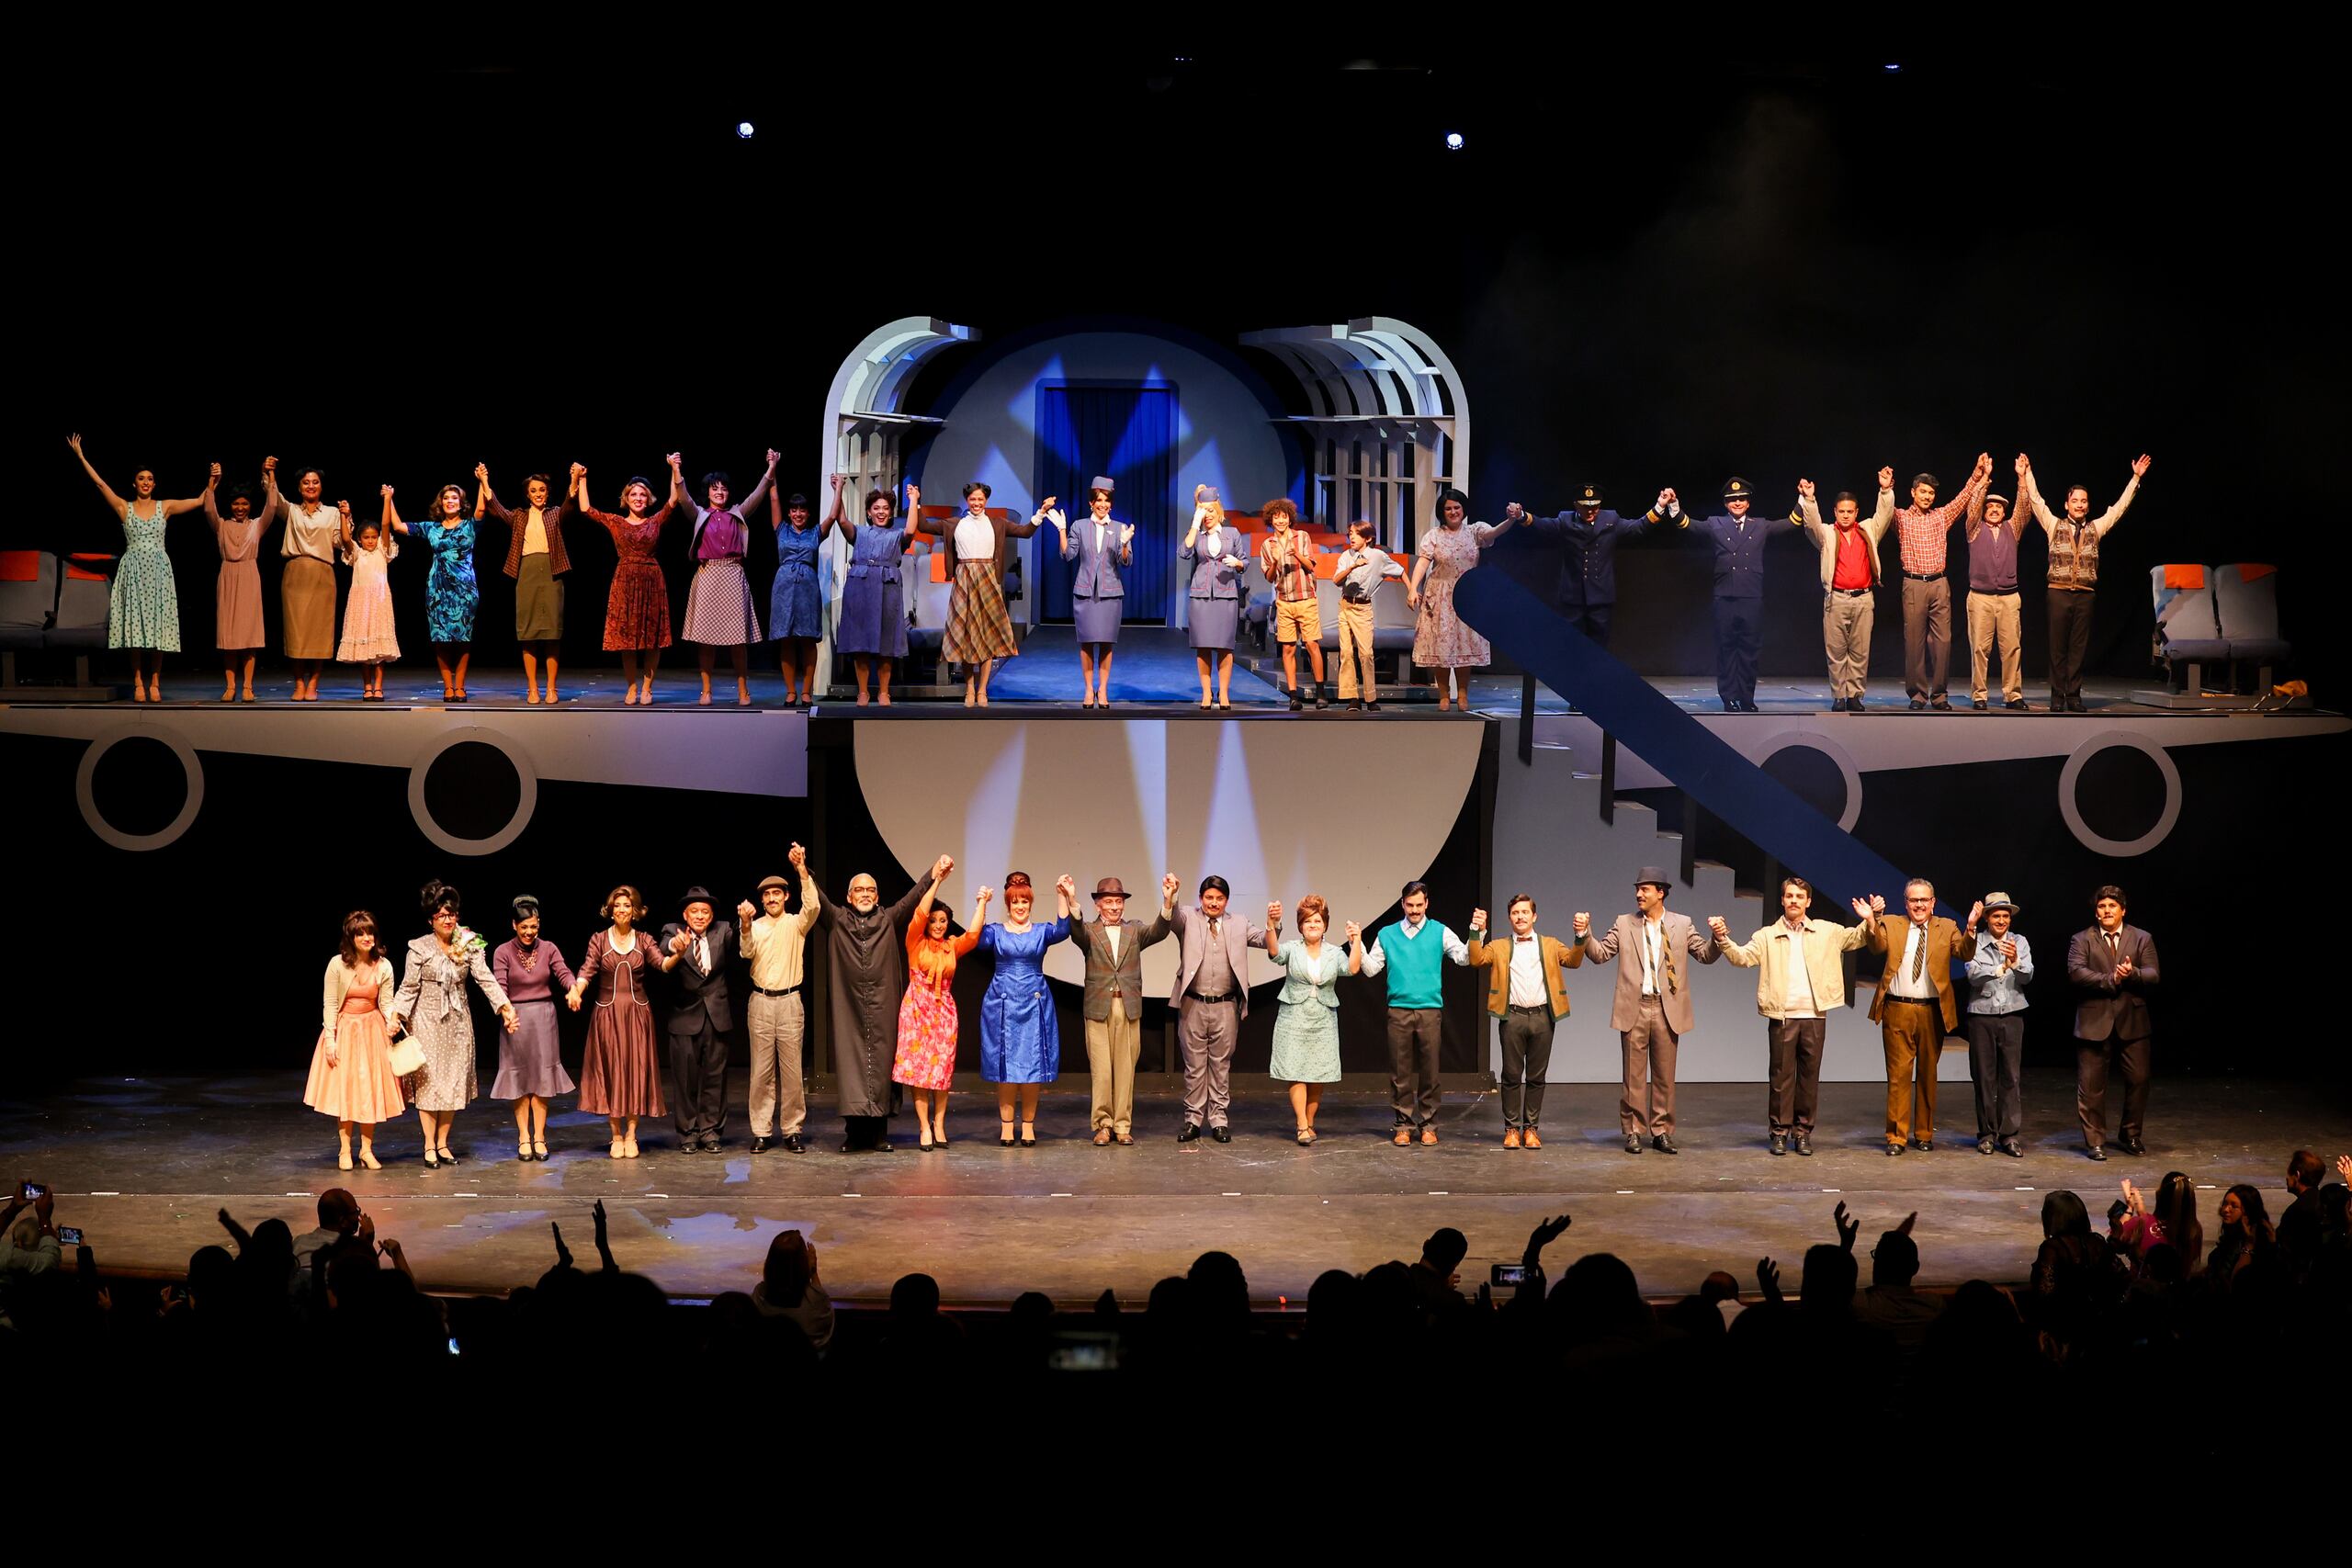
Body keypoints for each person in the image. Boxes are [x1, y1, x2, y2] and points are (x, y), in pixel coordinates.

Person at [1710, 876, 1869, 1156]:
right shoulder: (1767, 936)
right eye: (1789, 896)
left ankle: (1803, 1133)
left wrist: (1870, 919)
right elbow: (1742, 957)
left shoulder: (1826, 931)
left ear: (1808, 902)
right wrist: (1722, 939)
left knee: (1809, 1078)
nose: (1794, 900)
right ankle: (1780, 1132)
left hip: (1814, 1015)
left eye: (1799, 896)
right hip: (1782, 1016)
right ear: (1782, 900)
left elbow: (1857, 938)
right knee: (1781, 1078)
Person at [818, 853, 955, 1151]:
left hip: (883, 1006)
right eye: (859, 890)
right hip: (850, 1008)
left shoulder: (888, 919)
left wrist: (936, 872)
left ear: (877, 896)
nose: (865, 894)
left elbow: (914, 896)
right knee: (853, 1067)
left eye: (870, 890)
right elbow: (817, 900)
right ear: (849, 896)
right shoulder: (838, 919)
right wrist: (802, 869)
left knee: (882, 1068)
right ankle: (854, 1135)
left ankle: (880, 1135)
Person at [1578, 866, 1721, 1154]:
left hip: (1668, 1008)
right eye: (1637, 889)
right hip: (1636, 1006)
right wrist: (1584, 934)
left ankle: (1662, 1132)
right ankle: (1633, 1131)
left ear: (1661, 892)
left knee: (1665, 1077)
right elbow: (1601, 954)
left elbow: (1705, 955)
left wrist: (1718, 937)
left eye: (1644, 889)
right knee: (1633, 1077)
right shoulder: (1624, 923)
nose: (1638, 894)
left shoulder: (1682, 924)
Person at [388, 879, 518, 1168]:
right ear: (430, 919)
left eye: (452, 914)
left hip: (458, 1023)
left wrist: (505, 1008)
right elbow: (409, 988)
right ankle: (428, 1145)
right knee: (430, 1085)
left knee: (453, 1084)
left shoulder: (468, 942)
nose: (448, 920)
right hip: (427, 1023)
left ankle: (444, 1144)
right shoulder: (418, 948)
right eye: (441, 916)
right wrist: (396, 1016)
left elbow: (485, 978)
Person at [66, 434, 200, 702]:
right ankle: (138, 681)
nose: (146, 483)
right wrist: (81, 457)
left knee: (158, 629)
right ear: (134, 483)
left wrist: (212, 483)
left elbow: (199, 501)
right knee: (136, 630)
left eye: (150, 479)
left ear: (154, 483)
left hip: (159, 572)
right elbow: (100, 484)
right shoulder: (124, 508)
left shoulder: (166, 507)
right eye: (142, 479)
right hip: (134, 572)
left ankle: (155, 682)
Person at [2018, 452, 2152, 712]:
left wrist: (2135, 478)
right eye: (2075, 500)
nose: (2079, 505)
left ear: (2088, 506)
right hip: (2058, 593)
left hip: (2085, 594)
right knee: (2058, 648)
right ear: (2066, 504)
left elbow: (2120, 508)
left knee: (2078, 648)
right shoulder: (2053, 525)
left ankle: (2074, 695)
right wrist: (2027, 474)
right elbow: (2036, 501)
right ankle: (2057, 696)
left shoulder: (2096, 528)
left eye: (2084, 501)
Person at [1861, 880, 1981, 1156]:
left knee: (1927, 1074)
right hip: (1897, 1009)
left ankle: (1924, 1134)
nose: (1919, 905)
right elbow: (1877, 946)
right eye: (1914, 900)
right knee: (1898, 1076)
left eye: (1924, 900)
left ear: (1933, 902)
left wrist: (1971, 927)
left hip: (1931, 1011)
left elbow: (1963, 951)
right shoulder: (1892, 923)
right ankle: (1896, 1137)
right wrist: (1871, 920)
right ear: (1906, 903)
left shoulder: (1947, 926)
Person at [1661, 477, 1799, 712]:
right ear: (1726, 504)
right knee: (1727, 649)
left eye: (1741, 499)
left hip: (1751, 598)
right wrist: (1673, 504)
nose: (1737, 502)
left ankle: (1746, 697)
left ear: (1748, 503)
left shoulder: (1760, 525)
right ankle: (1729, 697)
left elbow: (1792, 522)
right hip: (1724, 598)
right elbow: (1686, 524)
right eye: (1732, 499)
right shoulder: (1716, 524)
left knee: (1749, 650)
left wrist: (1804, 498)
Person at [565, 885, 679, 1158]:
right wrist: (576, 991)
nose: (622, 910)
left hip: (637, 1017)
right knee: (611, 1072)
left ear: (636, 910)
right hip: (608, 1015)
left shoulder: (643, 940)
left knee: (634, 1072)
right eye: (617, 906)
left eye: (627, 906)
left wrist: (679, 954)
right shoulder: (599, 940)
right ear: (611, 910)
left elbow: (662, 965)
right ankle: (615, 1134)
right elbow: (587, 970)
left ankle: (631, 1134)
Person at [1464, 894, 1583, 1150]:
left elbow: (1573, 961)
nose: (1520, 917)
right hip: (1513, 1017)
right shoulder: (1499, 946)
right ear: (1510, 918)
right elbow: (1476, 959)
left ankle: (1531, 1129)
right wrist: (1476, 931)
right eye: (1515, 913)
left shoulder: (1550, 944)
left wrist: (1581, 936)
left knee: (1537, 1077)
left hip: (1542, 1017)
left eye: (1525, 912)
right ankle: (1511, 1129)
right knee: (1511, 1076)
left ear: (1534, 916)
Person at [1361, 880, 1474, 1145]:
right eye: (1409, 905)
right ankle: (1403, 1125)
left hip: (1429, 1011)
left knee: (1430, 1072)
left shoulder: (1440, 931)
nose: (1414, 910)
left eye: (1419, 905)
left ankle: (1429, 1125)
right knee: (1400, 1073)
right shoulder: (1387, 934)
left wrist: (1475, 932)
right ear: (1402, 904)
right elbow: (1370, 969)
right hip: (1398, 1010)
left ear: (1427, 904)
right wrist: (1357, 943)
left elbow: (1464, 958)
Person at [1169, 874, 1275, 1141]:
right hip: (1193, 1003)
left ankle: (1218, 1120)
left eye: (1219, 898)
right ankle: (1193, 1120)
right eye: (1208, 898)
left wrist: (1273, 924)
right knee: (1194, 1067)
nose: (1213, 903)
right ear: (1201, 899)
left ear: (1226, 900)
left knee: (1220, 1066)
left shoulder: (1238, 923)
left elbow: (1264, 940)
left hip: (1225, 1006)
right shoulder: (1188, 917)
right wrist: (1171, 894)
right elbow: (1170, 919)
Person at [976, 872, 1077, 1145]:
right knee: (1006, 1067)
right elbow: (977, 938)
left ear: (1030, 904)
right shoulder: (995, 932)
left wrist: (1061, 895)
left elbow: (1063, 930)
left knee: (1032, 1066)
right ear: (1008, 905)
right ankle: (1007, 1125)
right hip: (1002, 1002)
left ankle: (1029, 1125)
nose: (1020, 907)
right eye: (1015, 902)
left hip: (1034, 1002)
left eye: (1024, 902)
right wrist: (982, 903)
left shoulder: (1041, 931)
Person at [917, 479, 1037, 707]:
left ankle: (982, 690)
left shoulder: (997, 524)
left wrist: (1040, 513)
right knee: (965, 638)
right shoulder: (954, 524)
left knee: (987, 636)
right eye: (973, 499)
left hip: (988, 580)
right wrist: (917, 503)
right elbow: (924, 527)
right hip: (963, 580)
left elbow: (1025, 531)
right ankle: (969, 689)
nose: (976, 503)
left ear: (986, 501)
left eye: (980, 499)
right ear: (967, 500)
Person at [672, 449, 778, 706]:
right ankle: (706, 690)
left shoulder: (737, 513)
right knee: (706, 641)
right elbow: (683, 497)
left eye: (724, 489)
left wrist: (771, 467)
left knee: (737, 640)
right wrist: (676, 469)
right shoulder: (699, 514)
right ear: (707, 492)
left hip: (732, 574)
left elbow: (759, 493)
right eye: (714, 488)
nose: (720, 492)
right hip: (708, 576)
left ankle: (743, 691)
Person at [1073, 874, 1174, 1146]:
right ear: (1097, 904)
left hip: (1127, 1006)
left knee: (1126, 1069)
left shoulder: (1134, 930)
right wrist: (1071, 900)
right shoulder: (1090, 932)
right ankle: (1103, 1125)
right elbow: (1075, 930)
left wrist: (1168, 900)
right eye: (1109, 902)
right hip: (1098, 1008)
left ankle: (1122, 1125)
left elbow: (1160, 931)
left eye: (1118, 901)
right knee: (1102, 1071)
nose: (1115, 907)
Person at [1511, 483, 1673, 651]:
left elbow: (1638, 527)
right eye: (1585, 507)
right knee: (1570, 643)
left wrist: (1660, 505)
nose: (1591, 511)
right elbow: (1542, 525)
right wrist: (1521, 515)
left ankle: (1595, 676)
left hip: (1601, 595)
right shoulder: (1565, 520)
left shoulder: (1610, 520)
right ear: (1576, 504)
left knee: (1599, 644)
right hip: (1572, 595)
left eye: (1595, 507)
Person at [1888, 455, 1993, 710]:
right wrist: (1886, 487)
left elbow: (1962, 498)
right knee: (1914, 641)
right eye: (1923, 492)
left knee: (1943, 642)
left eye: (1931, 493)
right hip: (1913, 584)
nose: (1927, 497)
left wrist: (1978, 472)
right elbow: (1883, 510)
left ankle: (1940, 695)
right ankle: (1917, 695)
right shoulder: (1901, 518)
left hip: (1938, 584)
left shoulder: (1941, 516)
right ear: (1913, 493)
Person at [301, 910, 404, 1170]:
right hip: (346, 1028)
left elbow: (387, 1001)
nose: (367, 937)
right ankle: (345, 1150)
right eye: (361, 933)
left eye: (370, 932)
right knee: (346, 1091)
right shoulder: (338, 964)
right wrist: (330, 1039)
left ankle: (367, 1150)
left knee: (369, 1091)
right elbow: (331, 1003)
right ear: (351, 937)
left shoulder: (384, 965)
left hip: (372, 1031)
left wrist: (393, 1020)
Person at [737, 844, 821, 1154]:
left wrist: (801, 869)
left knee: (792, 1071)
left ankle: (792, 1129)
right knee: (760, 1071)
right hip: (760, 1002)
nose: (772, 898)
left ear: (786, 896)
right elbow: (746, 952)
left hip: (789, 1002)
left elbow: (813, 907)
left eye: (777, 893)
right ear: (761, 900)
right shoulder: (755, 926)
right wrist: (745, 924)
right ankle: (761, 1130)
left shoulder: (796, 923)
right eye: (767, 895)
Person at [1407, 487, 1521, 711]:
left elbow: (1494, 533)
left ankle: (1462, 694)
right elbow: (1422, 562)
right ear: (1442, 511)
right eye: (1448, 508)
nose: (1453, 512)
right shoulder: (1433, 535)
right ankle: (1443, 695)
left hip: (1467, 594)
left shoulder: (1474, 531)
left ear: (1463, 509)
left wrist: (1511, 520)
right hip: (1439, 596)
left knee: (1464, 647)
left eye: (1457, 507)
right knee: (1441, 648)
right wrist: (1412, 588)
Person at [2066, 883, 2158, 1160]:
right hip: (2095, 1020)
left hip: (2133, 1020)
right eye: (2102, 907)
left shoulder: (2141, 938)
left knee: (2139, 1079)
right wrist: (2111, 979)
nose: (2106, 910)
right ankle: (2095, 1140)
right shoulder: (2082, 939)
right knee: (2091, 1086)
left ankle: (2130, 1134)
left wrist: (2132, 974)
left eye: (2112, 906)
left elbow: (2154, 974)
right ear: (2096, 913)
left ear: (2123, 911)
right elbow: (2076, 973)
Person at [576, 465, 683, 705]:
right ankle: (632, 687)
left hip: (651, 581)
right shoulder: (616, 522)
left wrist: (674, 468)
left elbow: (674, 499)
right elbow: (586, 509)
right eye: (633, 494)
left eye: (642, 494)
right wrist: (582, 479)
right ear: (626, 498)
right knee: (627, 640)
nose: (638, 498)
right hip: (625, 580)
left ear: (648, 499)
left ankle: (647, 688)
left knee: (652, 639)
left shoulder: (656, 520)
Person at [893, 869, 982, 1153]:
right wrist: (938, 881)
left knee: (941, 1073)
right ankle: (923, 1126)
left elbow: (974, 934)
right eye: (933, 920)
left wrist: (982, 903)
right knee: (919, 1073)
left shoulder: (951, 947)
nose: (938, 925)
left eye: (943, 920)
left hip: (943, 1014)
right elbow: (918, 913)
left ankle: (940, 1124)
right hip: (916, 1012)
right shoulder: (914, 943)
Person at [476, 463, 579, 705]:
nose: (538, 494)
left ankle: (551, 688)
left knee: (553, 633)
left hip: (552, 574)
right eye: (534, 491)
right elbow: (497, 508)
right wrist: (483, 480)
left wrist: (574, 479)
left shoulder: (555, 513)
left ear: (547, 492)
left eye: (542, 490)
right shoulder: (519, 516)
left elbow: (570, 504)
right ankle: (532, 688)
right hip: (527, 574)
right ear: (527, 494)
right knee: (528, 633)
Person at [1793, 469, 1895, 710]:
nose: (1846, 515)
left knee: (1860, 651)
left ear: (1857, 512)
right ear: (1835, 512)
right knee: (1836, 651)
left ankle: (1855, 696)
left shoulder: (1868, 529)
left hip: (1863, 599)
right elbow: (1811, 526)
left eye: (1850, 511)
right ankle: (1839, 695)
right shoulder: (1828, 534)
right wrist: (1809, 500)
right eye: (1842, 511)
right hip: (1837, 599)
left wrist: (1886, 490)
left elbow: (1885, 514)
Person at [1266, 895, 1361, 1144]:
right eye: (1308, 921)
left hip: (1323, 1017)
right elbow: (1274, 952)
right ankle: (1300, 1124)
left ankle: (1310, 1122)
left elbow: (1352, 969)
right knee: (1296, 1070)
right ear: (1300, 925)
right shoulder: (1292, 948)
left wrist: (1356, 941)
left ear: (1325, 925)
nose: (1313, 925)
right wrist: (1271, 924)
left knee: (1318, 1073)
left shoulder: (1334, 952)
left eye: (1317, 921)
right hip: (1293, 1015)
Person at [382, 477, 486, 702]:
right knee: (441, 639)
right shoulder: (432, 528)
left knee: (463, 638)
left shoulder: (470, 525)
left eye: (454, 498)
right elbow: (399, 526)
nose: (450, 501)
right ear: (440, 504)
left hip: (465, 589)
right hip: (437, 589)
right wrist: (389, 499)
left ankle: (460, 686)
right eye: (446, 498)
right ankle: (448, 687)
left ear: (461, 503)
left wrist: (482, 481)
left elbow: (481, 507)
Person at [491, 895, 575, 1162]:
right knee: (519, 1080)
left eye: (534, 927)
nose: (529, 932)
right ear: (513, 925)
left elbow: (562, 971)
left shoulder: (549, 948)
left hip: (544, 1019)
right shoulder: (503, 951)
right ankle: (523, 1137)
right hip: (515, 1018)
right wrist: (505, 1011)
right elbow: (499, 984)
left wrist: (573, 987)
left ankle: (539, 1136)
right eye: (524, 927)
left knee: (541, 1079)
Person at [661, 886, 739, 1153]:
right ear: (685, 914)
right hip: (685, 1017)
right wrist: (677, 947)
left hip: (717, 1016)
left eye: (705, 911)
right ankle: (688, 1134)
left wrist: (748, 921)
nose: (700, 916)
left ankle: (711, 1131)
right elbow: (665, 946)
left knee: (715, 1077)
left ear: (712, 915)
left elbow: (740, 940)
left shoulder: (723, 930)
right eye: (694, 911)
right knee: (685, 1079)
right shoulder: (672, 931)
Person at [1962, 891, 2032, 1156]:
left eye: (2005, 916)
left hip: (2013, 1014)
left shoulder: (2019, 942)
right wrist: (1998, 969)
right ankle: (1987, 1134)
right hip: (1982, 1015)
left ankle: (2010, 1135)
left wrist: (2014, 963)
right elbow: (1972, 974)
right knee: (1984, 1077)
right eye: (1996, 916)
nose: (2001, 921)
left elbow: (2028, 975)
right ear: (1987, 918)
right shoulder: (1976, 942)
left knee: (2011, 1077)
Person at [1051, 478, 1132, 708]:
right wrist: (1062, 530)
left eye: (1106, 501)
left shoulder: (1119, 528)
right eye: (1099, 500)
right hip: (1085, 592)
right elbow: (1068, 555)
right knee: (1086, 643)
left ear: (1111, 504)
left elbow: (1125, 562)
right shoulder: (1079, 526)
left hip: (1110, 593)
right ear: (1091, 503)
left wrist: (1124, 544)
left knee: (1107, 644)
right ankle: (1088, 690)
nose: (1103, 505)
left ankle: (1103, 690)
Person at [829, 476, 910, 705]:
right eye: (876, 508)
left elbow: (912, 528)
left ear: (891, 512)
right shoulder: (860, 533)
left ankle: (884, 691)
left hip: (888, 588)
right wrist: (839, 490)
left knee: (886, 643)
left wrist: (913, 500)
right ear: (868, 512)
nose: (881, 512)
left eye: (885, 508)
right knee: (860, 642)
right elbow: (840, 519)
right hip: (860, 587)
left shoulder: (896, 536)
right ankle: (863, 691)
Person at [204, 459, 278, 702]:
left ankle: (247, 686)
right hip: (228, 576)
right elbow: (208, 509)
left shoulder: (256, 526)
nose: (240, 507)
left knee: (248, 636)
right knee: (229, 637)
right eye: (236, 503)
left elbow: (272, 505)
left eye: (244, 503)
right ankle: (230, 686)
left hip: (248, 577)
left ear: (249, 505)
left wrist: (269, 474)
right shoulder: (221, 526)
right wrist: (213, 482)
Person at [276, 463, 344, 701]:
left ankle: (313, 683)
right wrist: (270, 473)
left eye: (315, 482)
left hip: (322, 574)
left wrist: (346, 518)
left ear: (321, 486)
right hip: (295, 574)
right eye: (306, 482)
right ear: (299, 487)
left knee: (320, 634)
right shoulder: (292, 511)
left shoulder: (332, 512)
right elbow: (274, 499)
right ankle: (298, 683)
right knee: (296, 633)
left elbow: (340, 542)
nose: (311, 486)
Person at [1962, 482, 2028, 709]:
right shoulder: (1975, 528)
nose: (1994, 509)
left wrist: (2021, 479)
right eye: (1989, 506)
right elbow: (1971, 508)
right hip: (1980, 597)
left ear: (2004, 511)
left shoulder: (2013, 528)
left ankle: (2013, 695)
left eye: (1998, 507)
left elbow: (2023, 505)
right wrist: (1984, 482)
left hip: (2009, 597)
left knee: (2012, 648)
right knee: (1980, 649)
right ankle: (1979, 695)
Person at [1181, 484, 1247, 709]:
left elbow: (1244, 561)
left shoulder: (1232, 534)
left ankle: (1224, 693)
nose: (1206, 515)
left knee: (1225, 647)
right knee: (1203, 646)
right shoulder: (1197, 535)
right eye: (1202, 510)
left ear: (1218, 510)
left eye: (1210, 510)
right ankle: (1207, 693)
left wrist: (1238, 564)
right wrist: (1194, 523)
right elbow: (1183, 552)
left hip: (1226, 596)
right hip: (1201, 596)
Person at [1257, 498, 1327, 710]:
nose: (1280, 521)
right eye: (1276, 517)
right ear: (1271, 519)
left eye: (1284, 516)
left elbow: (1311, 566)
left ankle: (1321, 693)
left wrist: (1295, 553)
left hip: (1306, 598)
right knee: (1288, 648)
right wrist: (1276, 561)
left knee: (1313, 645)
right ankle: (1293, 695)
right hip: (1284, 601)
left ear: (1290, 518)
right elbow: (1269, 577)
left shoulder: (1302, 537)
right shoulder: (1267, 545)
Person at [767, 487, 832, 708]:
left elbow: (833, 517)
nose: (798, 514)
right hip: (784, 585)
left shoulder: (815, 533)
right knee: (786, 638)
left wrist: (839, 489)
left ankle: (806, 692)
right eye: (794, 510)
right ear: (789, 513)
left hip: (807, 586)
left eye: (802, 510)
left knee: (807, 639)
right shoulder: (781, 529)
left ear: (808, 513)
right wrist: (772, 469)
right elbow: (774, 497)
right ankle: (790, 692)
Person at [1332, 520, 1405, 711]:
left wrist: (1412, 590)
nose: (1352, 537)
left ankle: (1371, 697)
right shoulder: (1346, 556)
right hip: (1346, 606)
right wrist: (1353, 567)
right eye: (1350, 533)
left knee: (1366, 653)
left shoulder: (1378, 556)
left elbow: (1401, 571)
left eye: (1356, 533)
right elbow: (1336, 580)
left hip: (1363, 609)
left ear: (1368, 537)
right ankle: (1352, 698)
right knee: (1346, 652)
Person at [334, 502, 397, 697]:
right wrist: (344, 515)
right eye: (366, 538)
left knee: (379, 650)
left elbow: (386, 525)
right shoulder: (357, 553)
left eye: (373, 537)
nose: (370, 541)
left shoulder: (382, 551)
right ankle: (367, 686)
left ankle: (378, 686)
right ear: (360, 539)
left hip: (379, 601)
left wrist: (386, 500)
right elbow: (345, 538)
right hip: (361, 603)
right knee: (364, 648)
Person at [752, 1230, 834, 1351]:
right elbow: (819, 1301)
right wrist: (813, 1272)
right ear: (803, 1264)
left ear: (770, 1263)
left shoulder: (760, 1295)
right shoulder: (816, 1300)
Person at [2118, 1171, 2204, 1272]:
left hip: (2144, 1286)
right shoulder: (2195, 1230)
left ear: (2161, 1196)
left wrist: (2129, 1207)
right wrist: (2141, 1210)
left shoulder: (2139, 1224)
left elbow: (2117, 1237)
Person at [2206, 1184, 2275, 1287]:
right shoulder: (2232, 1237)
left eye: (2234, 1206)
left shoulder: (2253, 1244)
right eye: (2225, 1204)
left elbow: (2237, 1282)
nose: (2225, 1210)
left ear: (2247, 1212)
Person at [2277, 1149, 2329, 1277]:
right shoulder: (2324, 1201)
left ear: (2297, 1175)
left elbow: (2285, 1253)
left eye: (2289, 1174)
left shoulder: (2296, 1211)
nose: (2286, 1178)